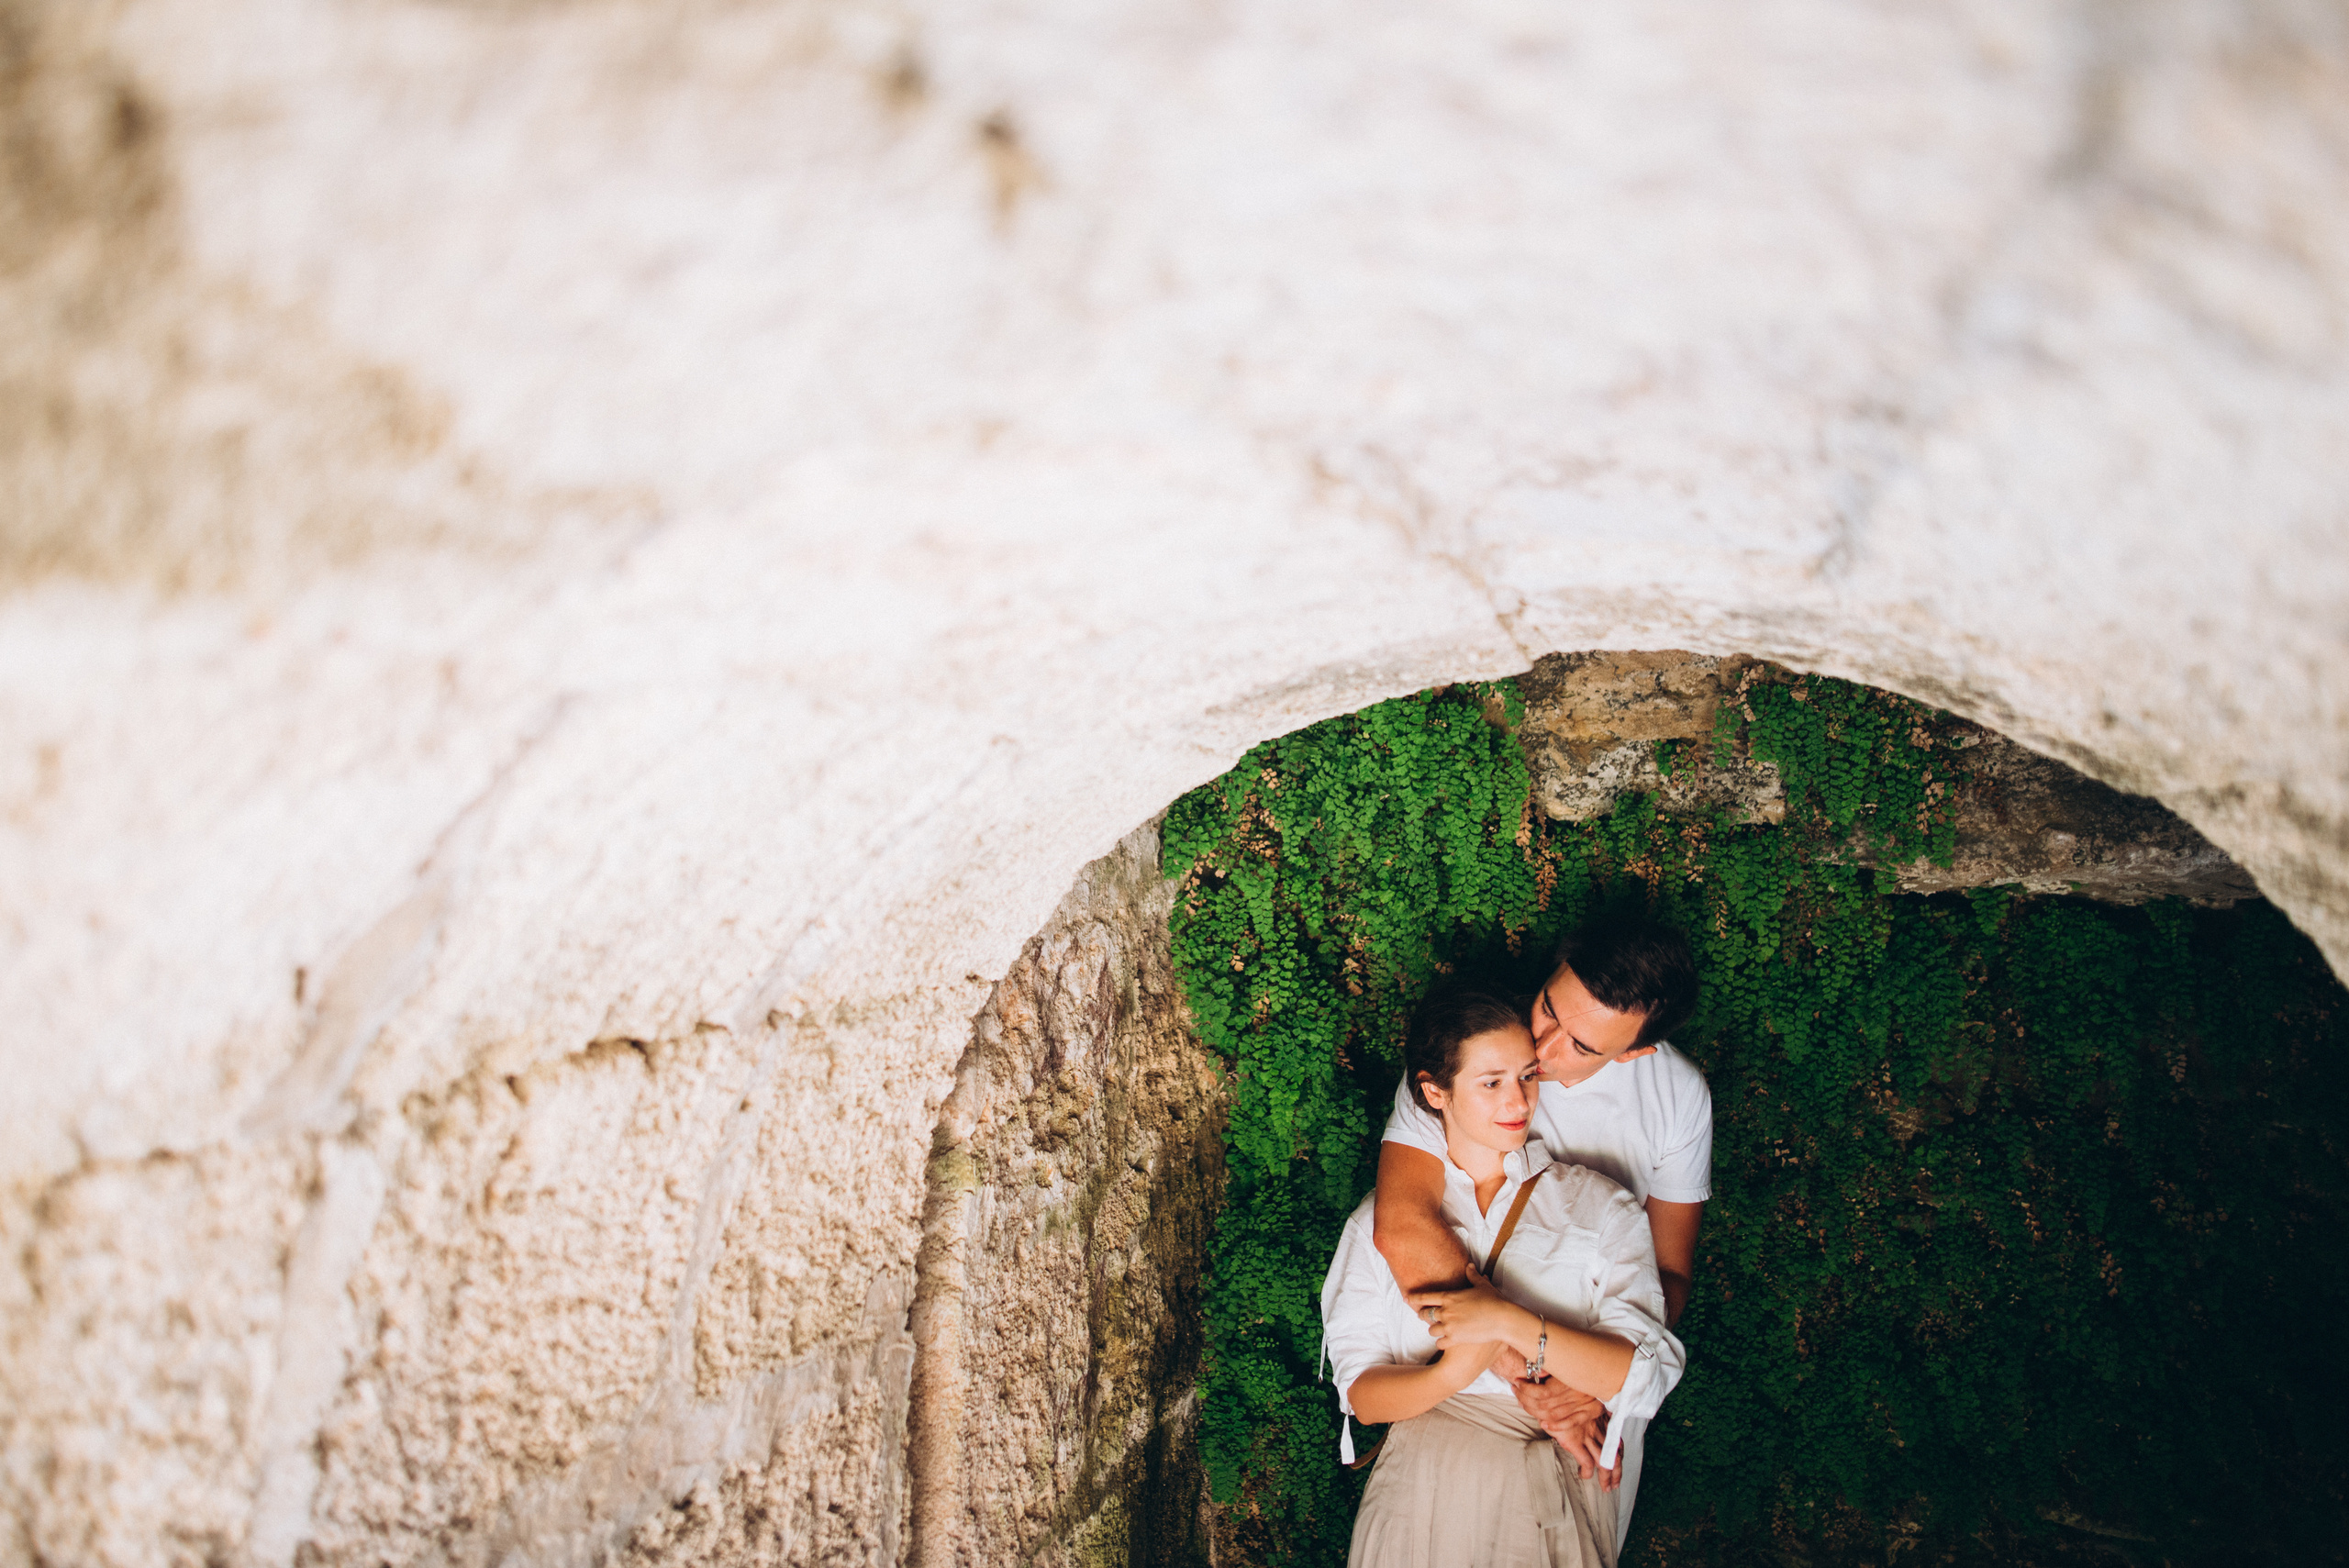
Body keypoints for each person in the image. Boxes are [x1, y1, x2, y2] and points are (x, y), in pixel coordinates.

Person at [1372, 918, 1707, 1555]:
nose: (1544, 1049)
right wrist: (1526, 1368)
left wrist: (1585, 1382)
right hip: (1466, 1378)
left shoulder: (1679, 1097)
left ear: (1635, 1052)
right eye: (1548, 1007)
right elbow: (1403, 1221)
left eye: (1581, 1044)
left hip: (1595, 1397)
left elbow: (1671, 1273)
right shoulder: (1474, 1042)